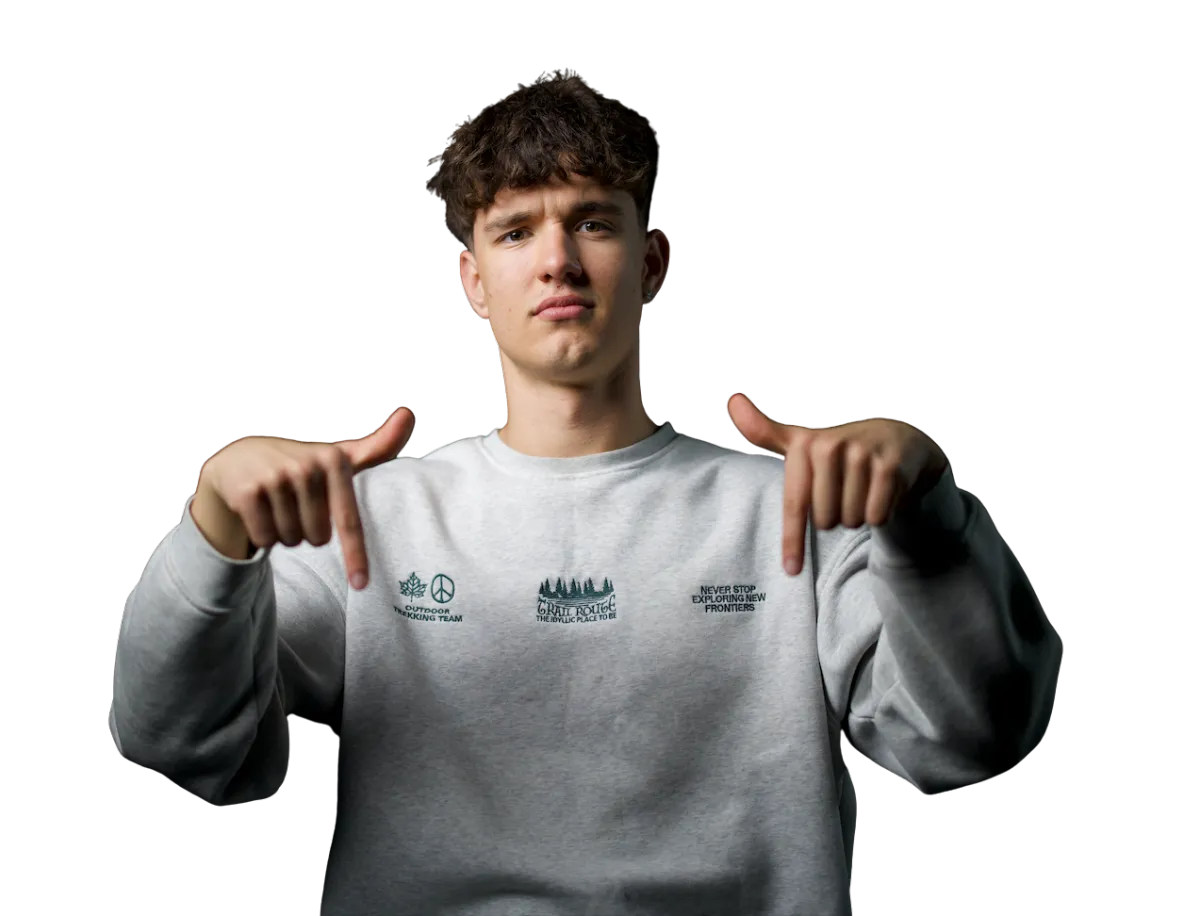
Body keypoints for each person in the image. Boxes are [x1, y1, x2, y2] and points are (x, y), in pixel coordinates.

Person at [110, 69, 1062, 915]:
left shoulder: (802, 511)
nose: (558, 259)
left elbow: (973, 749)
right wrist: (214, 530)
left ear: (652, 264)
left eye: (594, 222)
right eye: (516, 230)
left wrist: (931, 517)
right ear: (472, 281)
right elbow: (177, 750)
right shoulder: (369, 522)